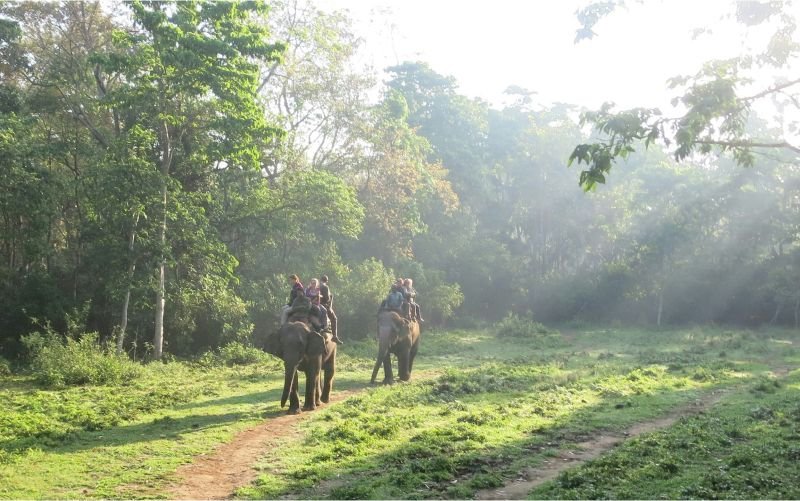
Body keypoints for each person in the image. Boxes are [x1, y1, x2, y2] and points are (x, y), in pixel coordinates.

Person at [319, 275, 343, 344]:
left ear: (320, 279)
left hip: (315, 304)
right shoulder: (325, 287)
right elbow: (327, 299)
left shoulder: (317, 285)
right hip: (324, 305)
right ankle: (334, 336)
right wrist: (330, 297)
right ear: (327, 281)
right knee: (334, 318)